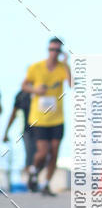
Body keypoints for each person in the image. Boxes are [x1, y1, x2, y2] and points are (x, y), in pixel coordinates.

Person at [22, 37, 71, 195]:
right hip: (39, 118)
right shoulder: (36, 68)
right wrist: (36, 90)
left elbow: (72, 84)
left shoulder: (62, 68)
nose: (54, 53)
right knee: (43, 152)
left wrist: (66, 64)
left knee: (55, 152)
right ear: (48, 50)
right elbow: (24, 85)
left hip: (57, 118)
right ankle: (34, 170)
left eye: (57, 50)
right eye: (52, 50)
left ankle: (46, 184)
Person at [3, 88, 36, 179]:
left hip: (44, 128)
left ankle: (34, 177)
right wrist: (6, 132)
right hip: (27, 130)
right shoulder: (21, 95)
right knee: (30, 156)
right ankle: (32, 179)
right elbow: (13, 114)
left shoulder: (44, 91)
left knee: (44, 154)